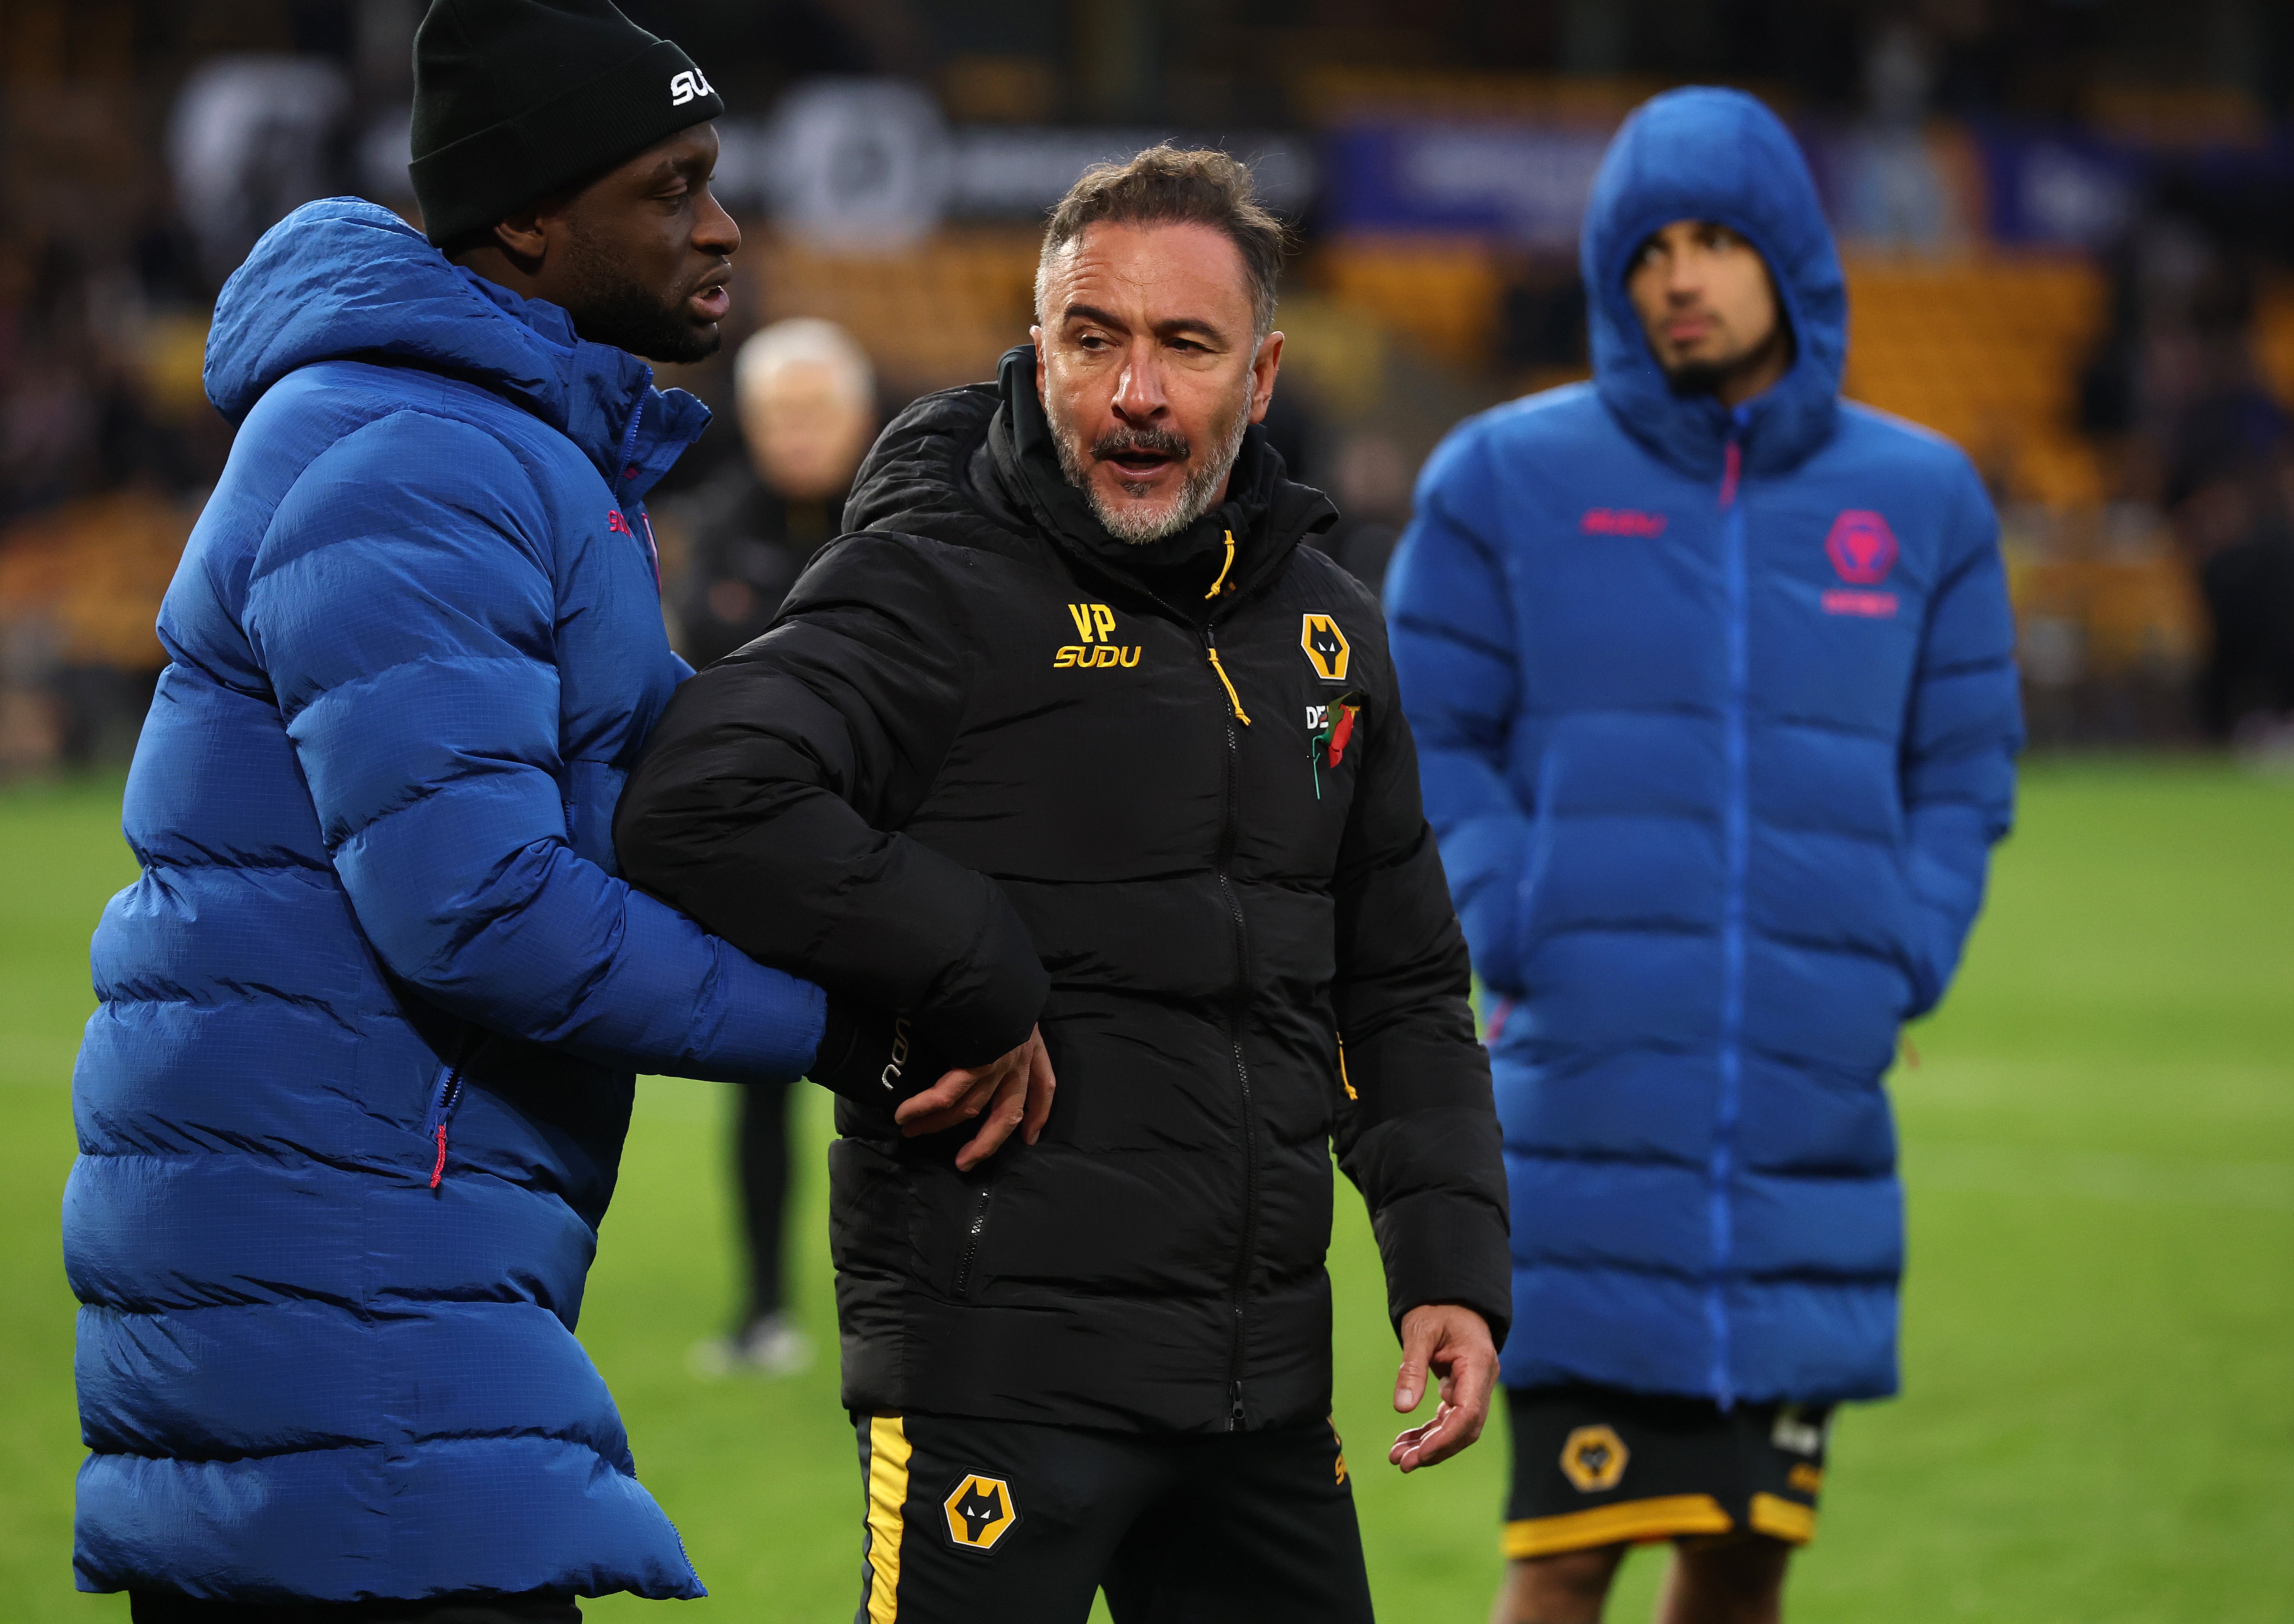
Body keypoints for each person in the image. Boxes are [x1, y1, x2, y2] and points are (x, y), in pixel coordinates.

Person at [64, 4, 1005, 1618]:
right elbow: (484, 904)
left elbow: (670, 789)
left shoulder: (496, 440)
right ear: (527, 220)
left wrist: (930, 886)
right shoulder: (419, 455)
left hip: (345, 1258)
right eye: (671, 188)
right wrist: (861, 1033)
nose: (721, 226)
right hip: (342, 1274)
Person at [614, 145, 1511, 1624]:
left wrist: (1449, 1263)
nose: (1134, 392)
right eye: (1092, 340)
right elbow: (701, 794)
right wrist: (968, 959)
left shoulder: (1329, 630)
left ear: (1264, 375)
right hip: (992, 1379)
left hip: (1259, 1388)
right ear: (1038, 352)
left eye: (1184, 346)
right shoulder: (931, 582)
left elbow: (1398, 978)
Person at [1386, 89, 2021, 1624]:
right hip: (1587, 1104)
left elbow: (1963, 764)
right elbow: (1423, 732)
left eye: (1718, 241)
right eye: (1649, 247)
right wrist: (1510, 912)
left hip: (1805, 1122)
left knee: (1744, 1570)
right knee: (1563, 1564)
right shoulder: (1502, 476)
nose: (1680, 275)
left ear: (1791, 258)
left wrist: (1903, 942)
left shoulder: (1920, 497)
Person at [678, 317, 878, 1378]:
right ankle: (762, 1310)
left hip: (889, 848)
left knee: (908, 1082)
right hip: (764, 851)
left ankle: (910, 1310)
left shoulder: (904, 519)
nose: (794, 434)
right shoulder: (724, 526)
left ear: (857, 416)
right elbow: (702, 675)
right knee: (757, 1079)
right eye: (776, 415)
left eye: (814, 412)